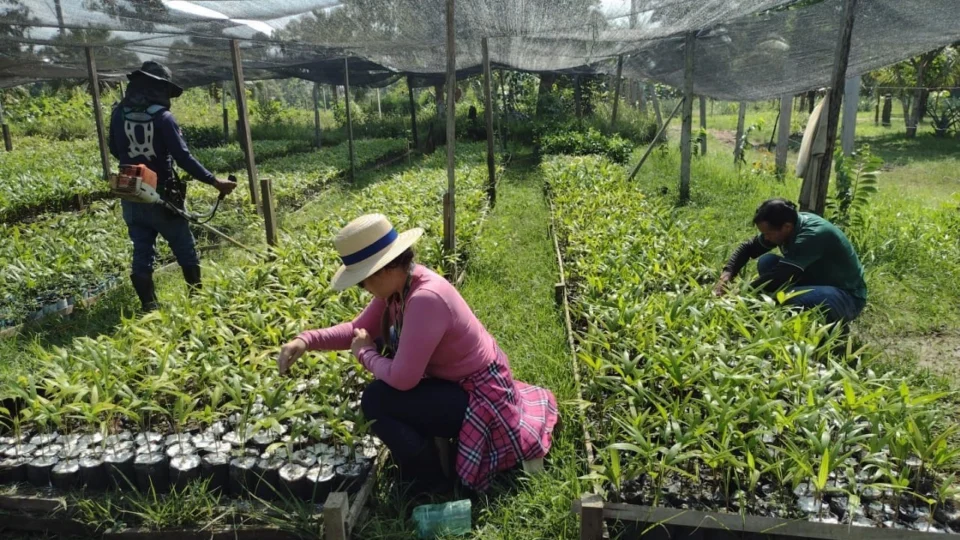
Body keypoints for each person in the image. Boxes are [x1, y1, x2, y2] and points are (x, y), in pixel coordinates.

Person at [276, 214, 558, 492]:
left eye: (363, 281)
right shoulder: (401, 287)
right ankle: (428, 461)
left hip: (480, 397)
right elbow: (359, 328)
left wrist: (365, 354)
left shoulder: (425, 298)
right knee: (386, 371)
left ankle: (431, 482)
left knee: (377, 400)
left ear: (385, 268)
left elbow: (403, 379)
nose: (364, 288)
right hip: (459, 384)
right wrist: (306, 340)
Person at [108, 61, 236, 311]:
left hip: (131, 192)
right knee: (184, 248)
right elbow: (183, 158)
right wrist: (214, 181)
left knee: (142, 251)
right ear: (158, 89)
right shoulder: (163, 118)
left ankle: (149, 307)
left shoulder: (118, 114)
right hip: (162, 195)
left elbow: (115, 149)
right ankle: (196, 303)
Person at [713, 198, 867, 324]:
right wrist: (726, 275)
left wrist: (740, 294)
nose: (765, 238)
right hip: (817, 280)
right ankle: (793, 303)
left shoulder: (812, 235)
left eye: (768, 233)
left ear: (786, 227)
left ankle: (822, 323)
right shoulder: (789, 226)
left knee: (782, 296)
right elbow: (748, 248)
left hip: (846, 297)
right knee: (766, 261)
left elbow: (779, 276)